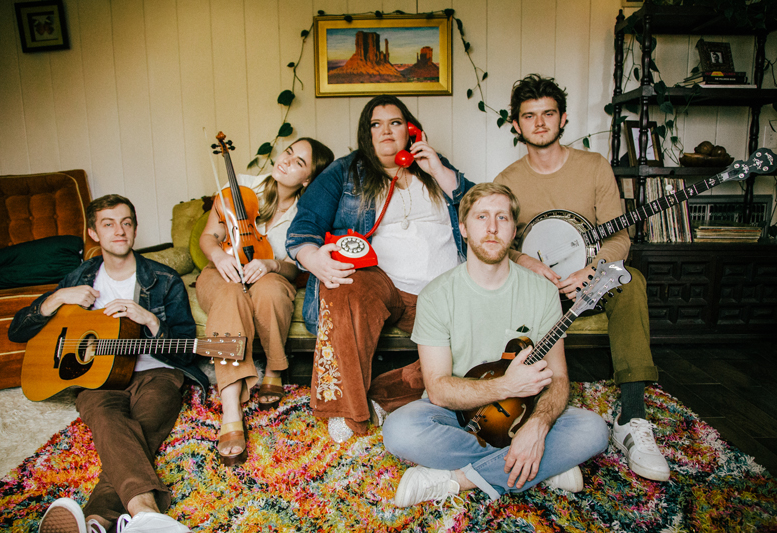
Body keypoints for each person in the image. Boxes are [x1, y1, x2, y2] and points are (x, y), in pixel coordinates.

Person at [383, 183, 609, 507]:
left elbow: (558, 378)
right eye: (481, 217)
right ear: (462, 228)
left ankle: (455, 479)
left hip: (524, 414)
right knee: (399, 430)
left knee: (593, 430)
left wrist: (539, 426)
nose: (492, 228)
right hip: (457, 416)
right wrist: (505, 386)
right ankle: (541, 466)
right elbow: (439, 390)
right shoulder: (436, 295)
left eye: (502, 217)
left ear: (514, 229)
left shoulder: (543, 292)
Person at [493, 73, 669, 482]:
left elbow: (619, 235)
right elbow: (503, 244)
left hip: (590, 278)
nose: (539, 123)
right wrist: (526, 262)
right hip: (537, 284)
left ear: (563, 119)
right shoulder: (507, 180)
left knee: (632, 282)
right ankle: (533, 418)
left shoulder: (593, 167)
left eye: (548, 114)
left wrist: (592, 270)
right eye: (529, 116)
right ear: (516, 125)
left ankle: (632, 418)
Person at [285, 95, 475, 443]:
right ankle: (348, 412)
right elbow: (305, 225)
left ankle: (379, 397)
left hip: (443, 292)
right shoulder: (345, 171)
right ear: (366, 134)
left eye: (395, 122)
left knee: (478, 346)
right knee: (342, 284)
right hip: (382, 283)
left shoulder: (434, 167)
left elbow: (480, 210)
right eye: (376, 124)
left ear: (411, 130)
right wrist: (314, 259)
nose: (386, 131)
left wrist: (438, 169)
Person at [9, 195, 203, 533]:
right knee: (108, 419)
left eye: (127, 222)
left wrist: (150, 321)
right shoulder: (77, 279)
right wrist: (56, 299)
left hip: (156, 373)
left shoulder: (164, 278)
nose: (120, 230)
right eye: (109, 223)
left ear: (135, 229)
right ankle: (143, 513)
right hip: (96, 379)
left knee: (138, 429)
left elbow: (185, 350)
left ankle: (96, 521)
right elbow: (18, 330)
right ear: (93, 233)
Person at [196, 137, 334, 465]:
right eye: (288, 152)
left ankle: (275, 367)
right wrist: (218, 256)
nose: (285, 161)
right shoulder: (242, 186)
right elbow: (208, 236)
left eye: (299, 162)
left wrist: (271, 264)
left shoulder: (308, 211)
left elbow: (295, 266)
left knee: (272, 288)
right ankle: (231, 407)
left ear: (307, 179)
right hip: (220, 272)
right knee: (230, 293)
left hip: (268, 276)